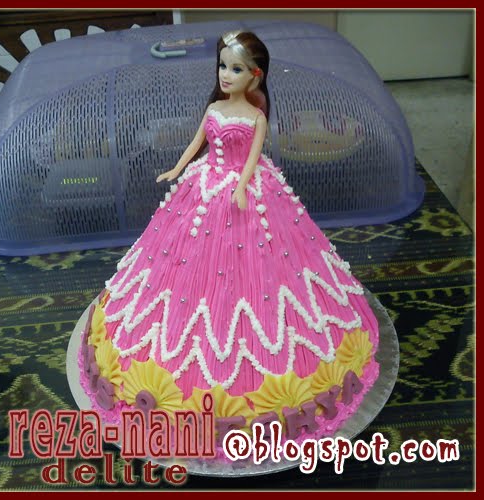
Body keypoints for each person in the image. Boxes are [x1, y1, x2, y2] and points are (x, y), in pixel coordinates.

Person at [100, 30, 378, 407]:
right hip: (204, 186)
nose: (225, 75)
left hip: (245, 192)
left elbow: (251, 159)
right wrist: (177, 169)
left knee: (263, 265)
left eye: (235, 69)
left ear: (254, 76)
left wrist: (243, 186)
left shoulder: (256, 118)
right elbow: (196, 143)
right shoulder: (214, 109)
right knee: (183, 260)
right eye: (222, 66)